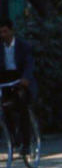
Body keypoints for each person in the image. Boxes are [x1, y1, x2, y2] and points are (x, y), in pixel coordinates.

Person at [0, 17, 37, 154]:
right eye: (1, 33)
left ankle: (26, 143)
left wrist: (25, 78)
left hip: (20, 80)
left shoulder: (24, 46)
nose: (3, 35)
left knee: (22, 106)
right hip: (6, 79)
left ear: (11, 31)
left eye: (5, 32)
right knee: (5, 107)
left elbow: (29, 64)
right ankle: (13, 138)